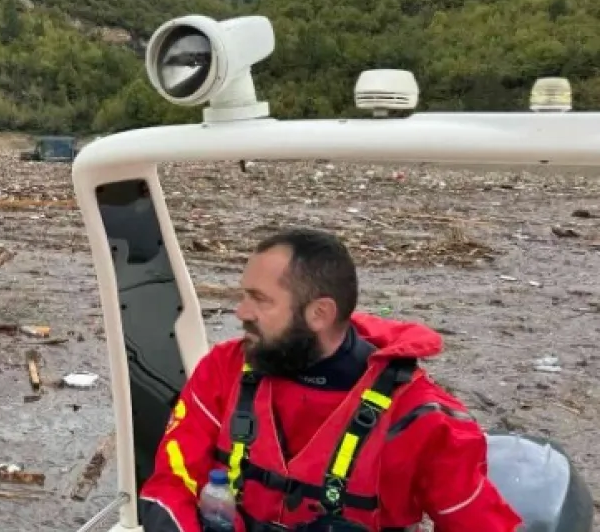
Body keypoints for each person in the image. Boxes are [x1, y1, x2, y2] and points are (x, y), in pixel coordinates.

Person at [138, 227, 523, 531]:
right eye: (244, 296)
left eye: (260, 299)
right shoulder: (224, 370)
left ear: (319, 313)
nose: (242, 311)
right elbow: (172, 482)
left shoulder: (421, 420)